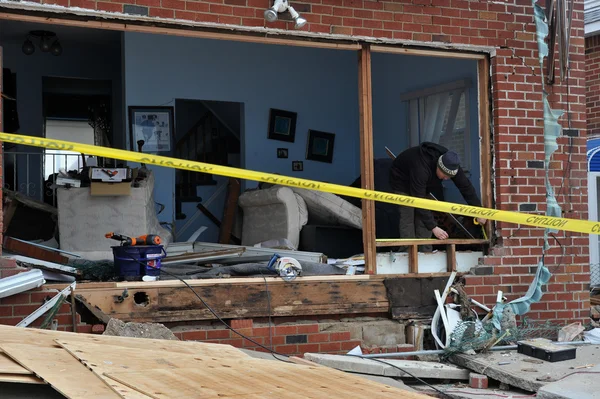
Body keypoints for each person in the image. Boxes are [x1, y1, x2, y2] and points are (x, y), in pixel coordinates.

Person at [389, 142, 486, 252]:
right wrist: (434, 228)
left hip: (422, 184)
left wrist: (479, 211)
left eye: (449, 176)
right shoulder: (421, 169)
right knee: (408, 214)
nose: (446, 179)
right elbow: (419, 201)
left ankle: (426, 252)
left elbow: (466, 187)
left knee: (423, 217)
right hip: (401, 180)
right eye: (444, 175)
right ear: (438, 166)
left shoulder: (452, 165)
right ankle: (408, 253)